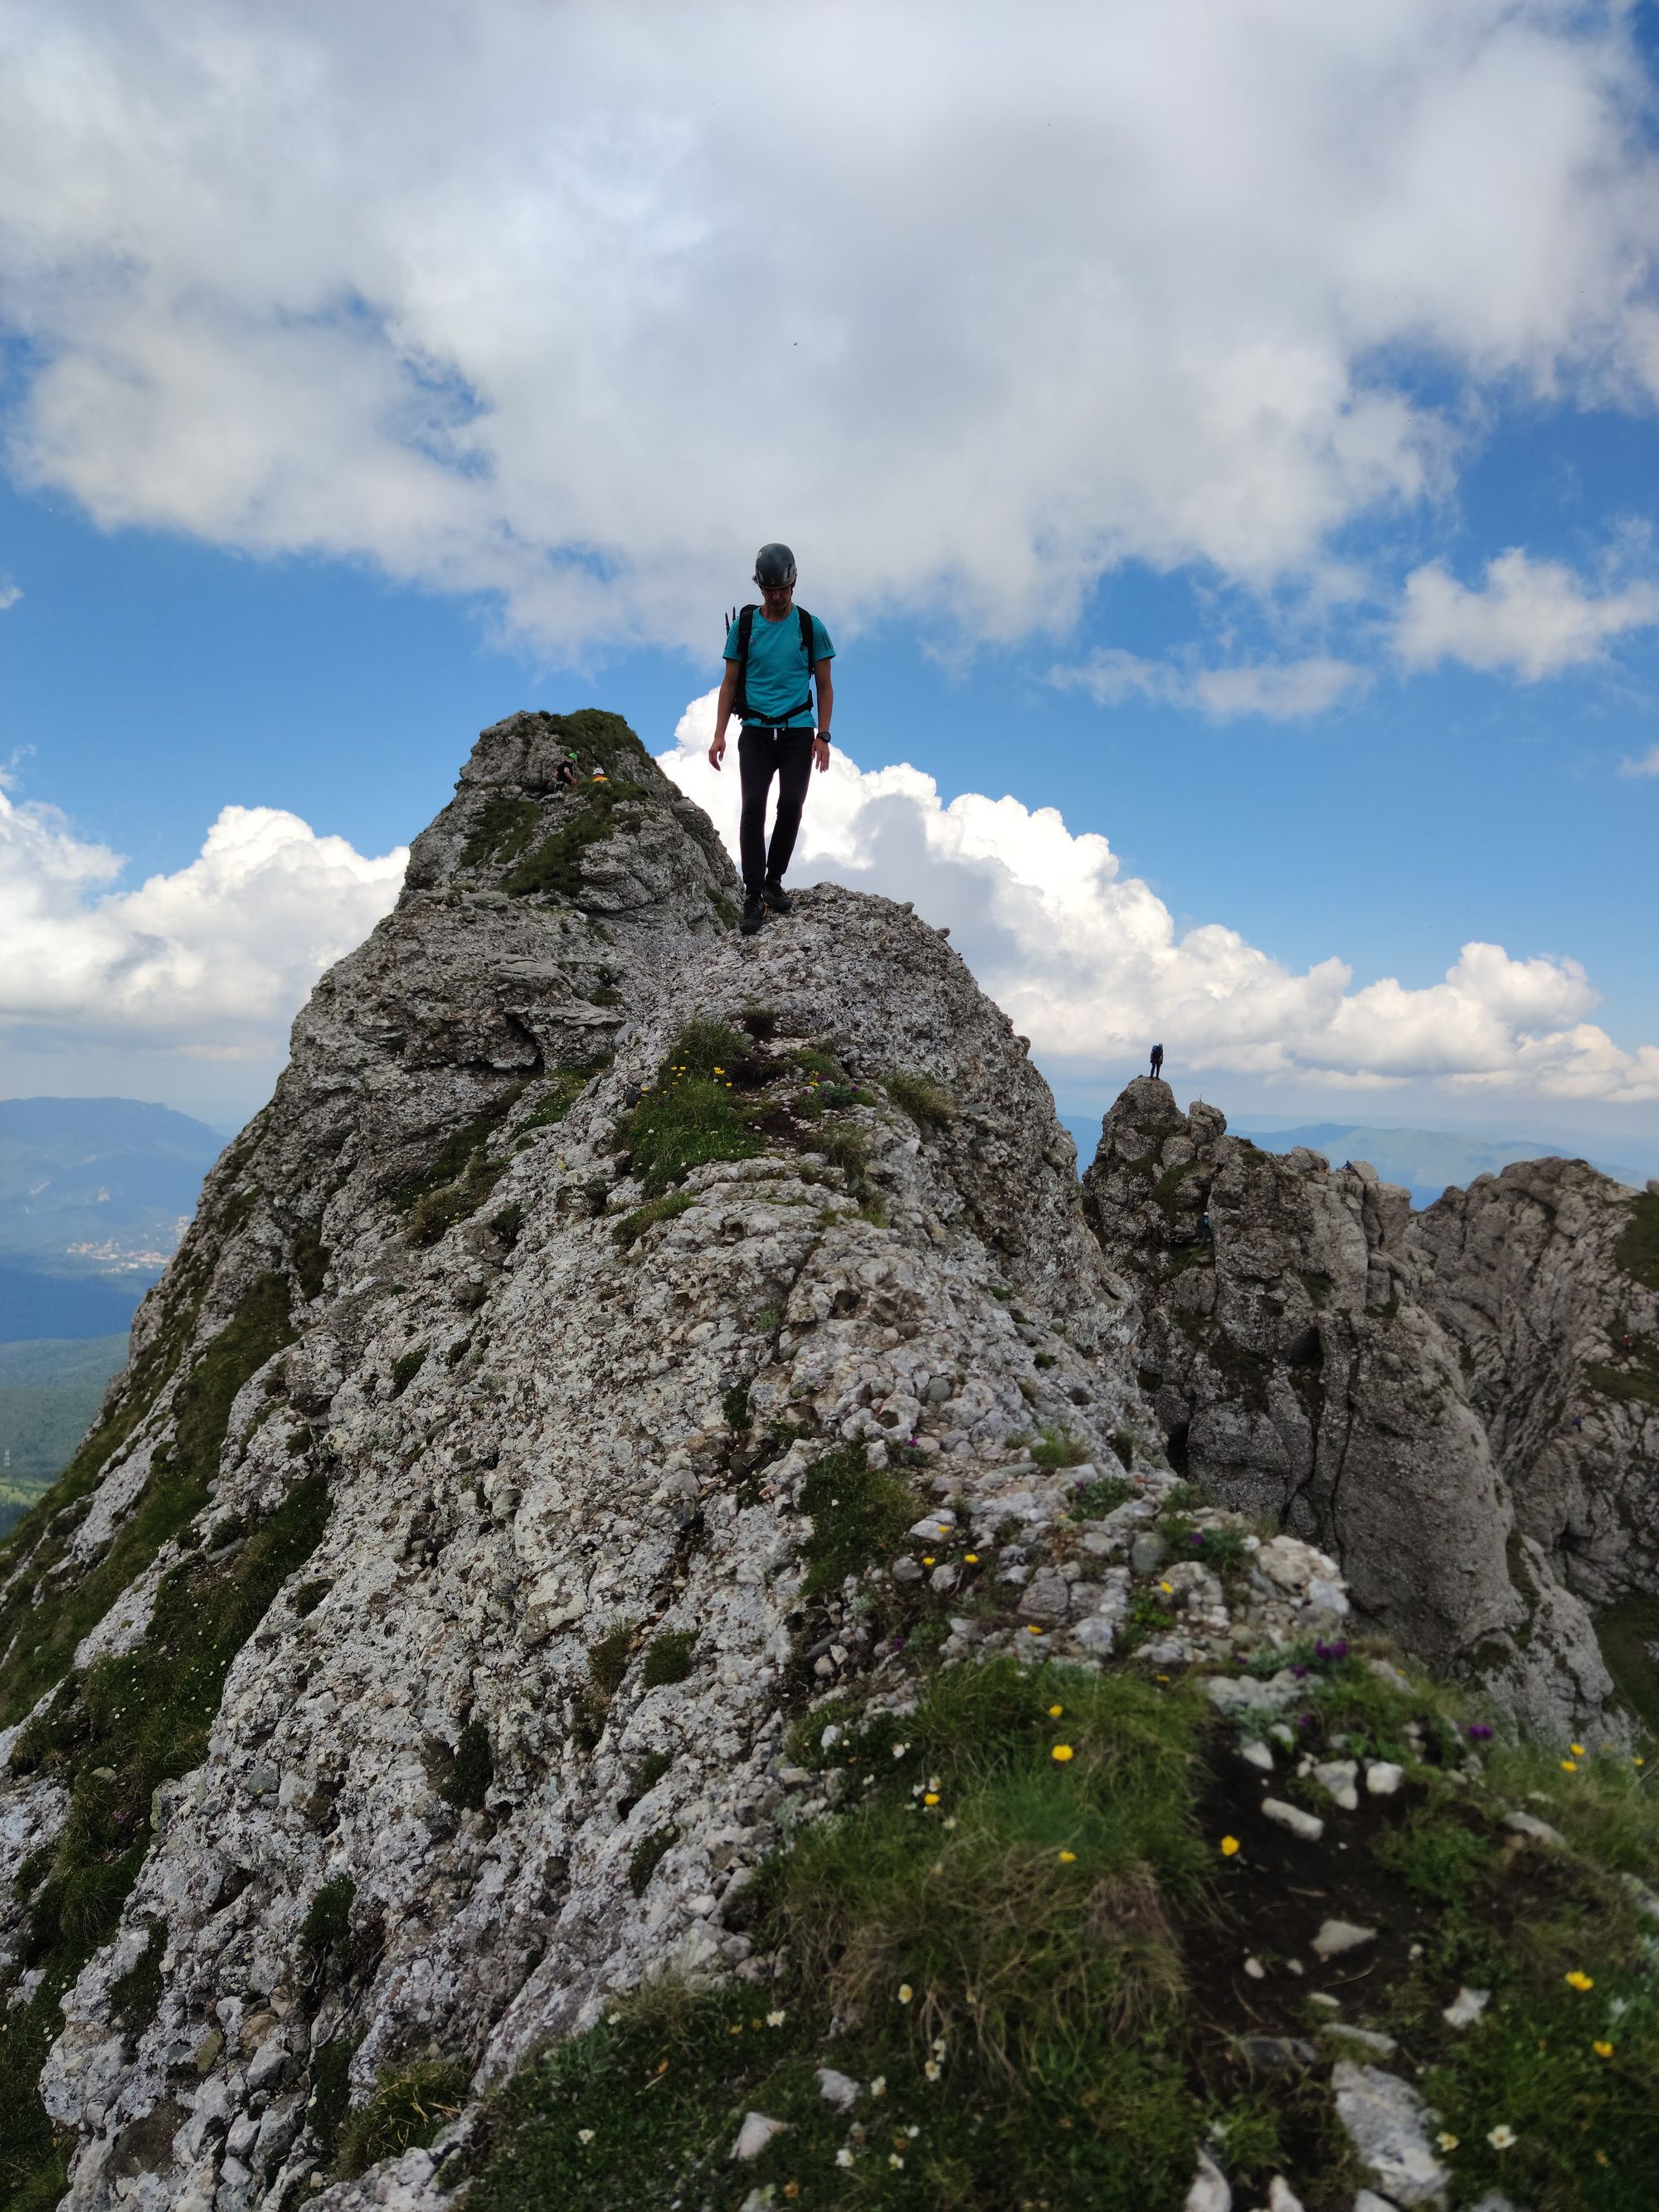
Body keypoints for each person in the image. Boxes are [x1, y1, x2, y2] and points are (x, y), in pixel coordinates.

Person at [708, 543, 834, 935]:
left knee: (792, 807)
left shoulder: (811, 626)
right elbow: (729, 684)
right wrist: (719, 735)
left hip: (798, 730)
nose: (777, 596)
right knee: (753, 811)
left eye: (782, 589)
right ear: (759, 586)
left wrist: (823, 736)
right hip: (756, 732)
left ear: (794, 582)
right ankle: (753, 894)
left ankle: (774, 881)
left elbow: (826, 687)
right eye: (769, 590)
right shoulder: (744, 627)